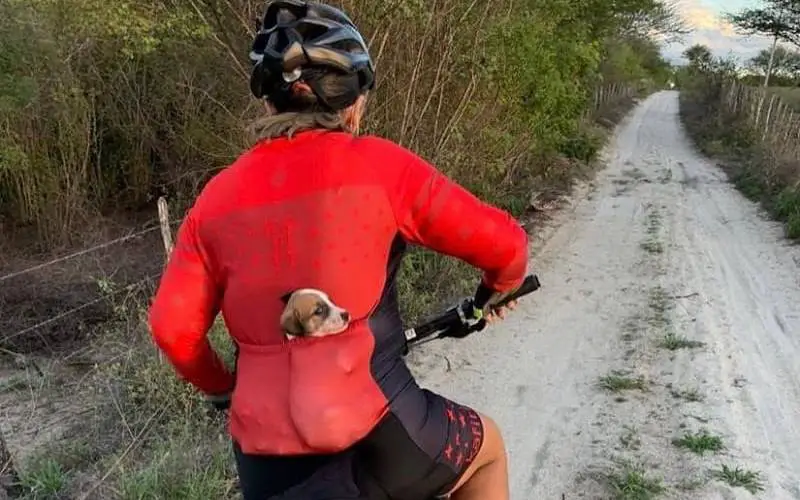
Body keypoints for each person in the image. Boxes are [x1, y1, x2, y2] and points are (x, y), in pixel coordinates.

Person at [147, 1, 529, 499]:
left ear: (268, 105)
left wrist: (223, 387)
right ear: (354, 103)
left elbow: (173, 330)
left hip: (265, 464)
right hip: (379, 440)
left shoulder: (216, 197)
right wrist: (489, 297)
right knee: (487, 451)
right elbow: (507, 248)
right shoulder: (380, 167)